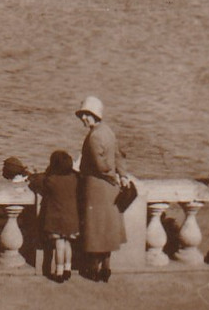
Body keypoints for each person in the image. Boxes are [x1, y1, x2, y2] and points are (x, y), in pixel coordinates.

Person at [75, 96, 127, 282]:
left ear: (94, 116)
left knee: (95, 230)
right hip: (110, 190)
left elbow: (100, 165)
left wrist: (111, 176)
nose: (83, 119)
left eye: (86, 115)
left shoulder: (94, 137)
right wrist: (122, 175)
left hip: (96, 188)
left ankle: (93, 270)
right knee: (108, 230)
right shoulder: (108, 131)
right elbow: (118, 156)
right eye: (82, 115)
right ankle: (106, 268)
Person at [11, 151, 80, 282]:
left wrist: (34, 174)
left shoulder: (51, 181)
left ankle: (59, 272)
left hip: (57, 220)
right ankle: (67, 269)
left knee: (59, 245)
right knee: (67, 245)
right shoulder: (75, 180)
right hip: (72, 219)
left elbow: (37, 183)